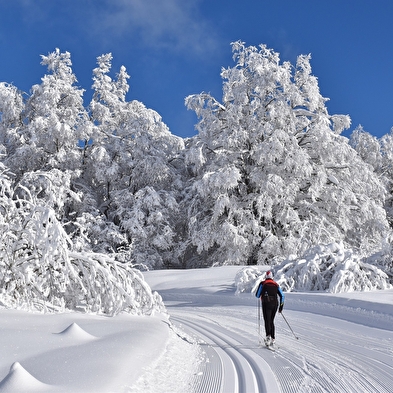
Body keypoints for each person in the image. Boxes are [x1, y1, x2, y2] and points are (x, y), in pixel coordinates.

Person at [255, 270, 285, 347]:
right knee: (271, 321)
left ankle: (268, 337)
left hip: (266, 304)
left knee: (267, 320)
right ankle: (273, 339)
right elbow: (282, 295)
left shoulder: (263, 283)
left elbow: (257, 295)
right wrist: (281, 307)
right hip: (275, 304)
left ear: (266, 276)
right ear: (272, 277)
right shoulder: (276, 284)